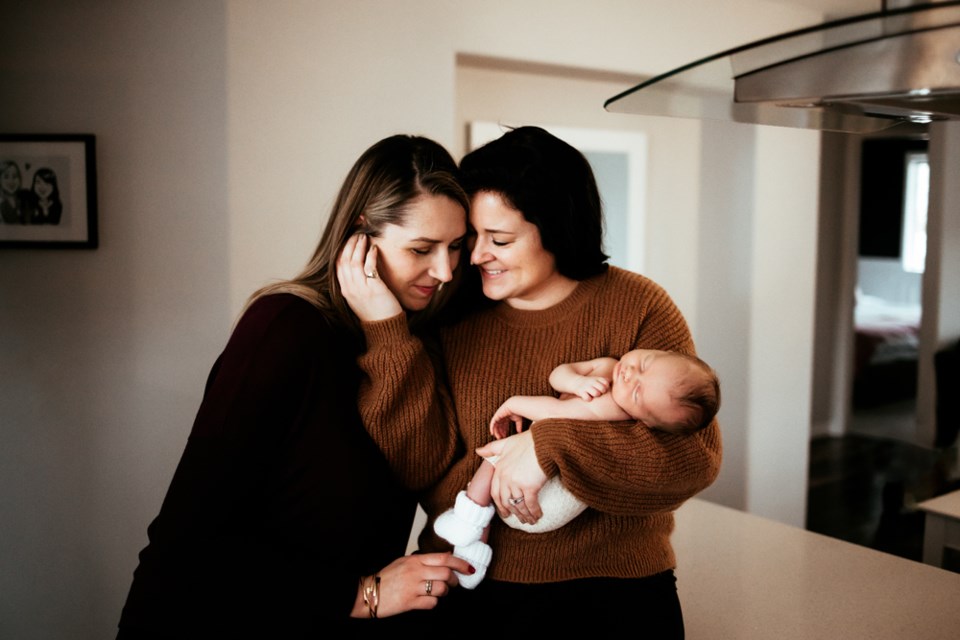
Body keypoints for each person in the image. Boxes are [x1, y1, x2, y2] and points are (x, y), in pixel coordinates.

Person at [339, 125, 722, 635]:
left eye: (499, 240)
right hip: (473, 587)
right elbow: (421, 467)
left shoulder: (638, 304)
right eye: (471, 239)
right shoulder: (450, 313)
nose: (473, 258)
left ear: (557, 228)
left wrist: (547, 445)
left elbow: (691, 459)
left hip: (615, 592)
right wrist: (387, 333)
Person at [117, 134, 475, 639]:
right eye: (421, 249)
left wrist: (387, 332)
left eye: (456, 247)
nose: (444, 271)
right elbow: (186, 539)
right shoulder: (284, 326)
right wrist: (363, 593)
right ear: (359, 236)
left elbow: (430, 468)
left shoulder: (416, 340)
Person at [432, 348, 721, 587]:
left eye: (636, 394)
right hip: (535, 475)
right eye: (643, 365)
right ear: (661, 351)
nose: (630, 375)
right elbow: (560, 374)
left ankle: (468, 522)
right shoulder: (612, 367)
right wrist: (574, 383)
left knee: (493, 458)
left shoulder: (612, 407)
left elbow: (556, 414)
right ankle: (472, 551)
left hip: (548, 501)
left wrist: (515, 403)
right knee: (502, 459)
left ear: (644, 421)